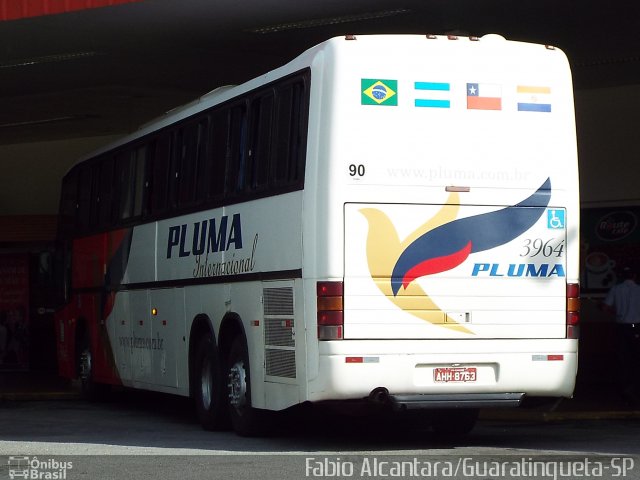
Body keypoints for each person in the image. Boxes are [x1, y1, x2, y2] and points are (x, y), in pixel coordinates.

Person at [603, 266, 640, 405]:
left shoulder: (616, 289)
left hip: (621, 328)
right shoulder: (639, 289)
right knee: (636, 358)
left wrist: (617, 313)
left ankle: (625, 388)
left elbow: (606, 307)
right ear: (634, 276)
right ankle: (635, 388)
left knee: (623, 358)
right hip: (637, 328)